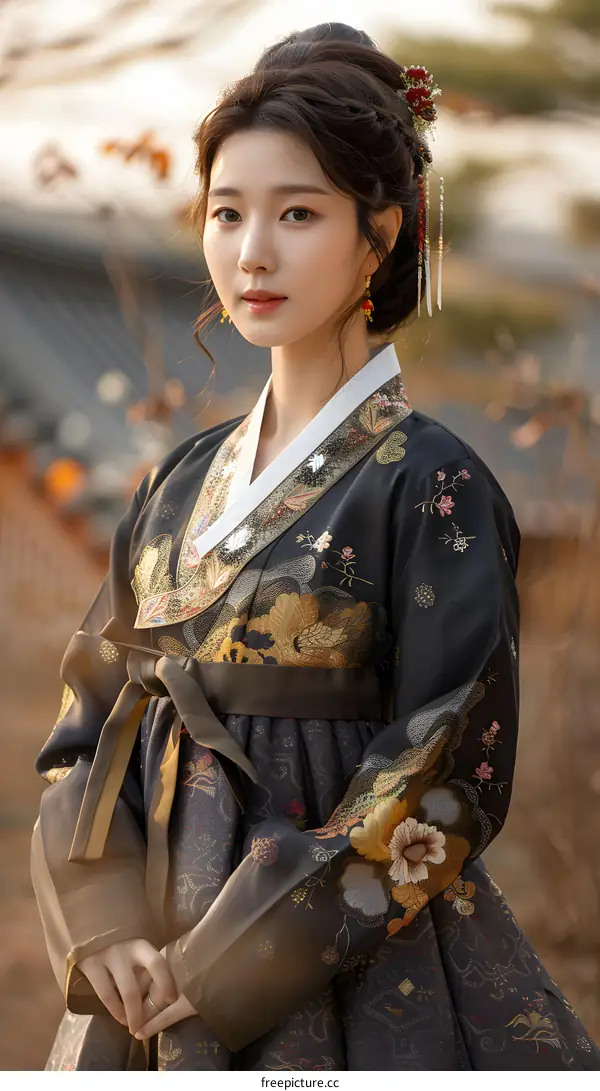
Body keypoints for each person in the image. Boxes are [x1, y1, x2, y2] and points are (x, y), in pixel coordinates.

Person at [31, 22, 600, 1072]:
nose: (253, 251)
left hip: (332, 966)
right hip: (140, 965)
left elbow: (447, 769)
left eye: (299, 213)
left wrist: (230, 959)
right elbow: (89, 718)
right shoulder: (175, 481)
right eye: (227, 212)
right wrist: (103, 923)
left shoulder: (434, 483)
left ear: (381, 234)